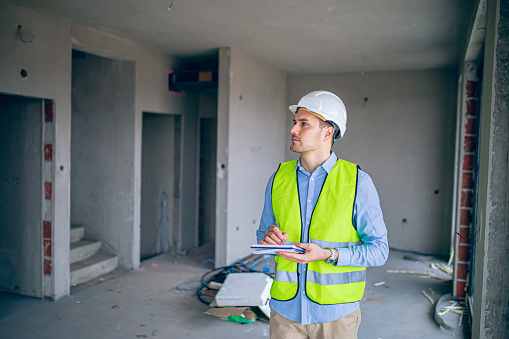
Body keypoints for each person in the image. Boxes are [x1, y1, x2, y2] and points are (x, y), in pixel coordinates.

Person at [256, 90, 389, 339]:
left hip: (336, 316)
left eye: (303, 124)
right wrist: (269, 238)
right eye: (295, 122)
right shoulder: (278, 178)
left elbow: (379, 250)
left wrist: (329, 255)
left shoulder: (357, 182)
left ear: (328, 132)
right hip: (285, 313)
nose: (293, 129)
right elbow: (263, 235)